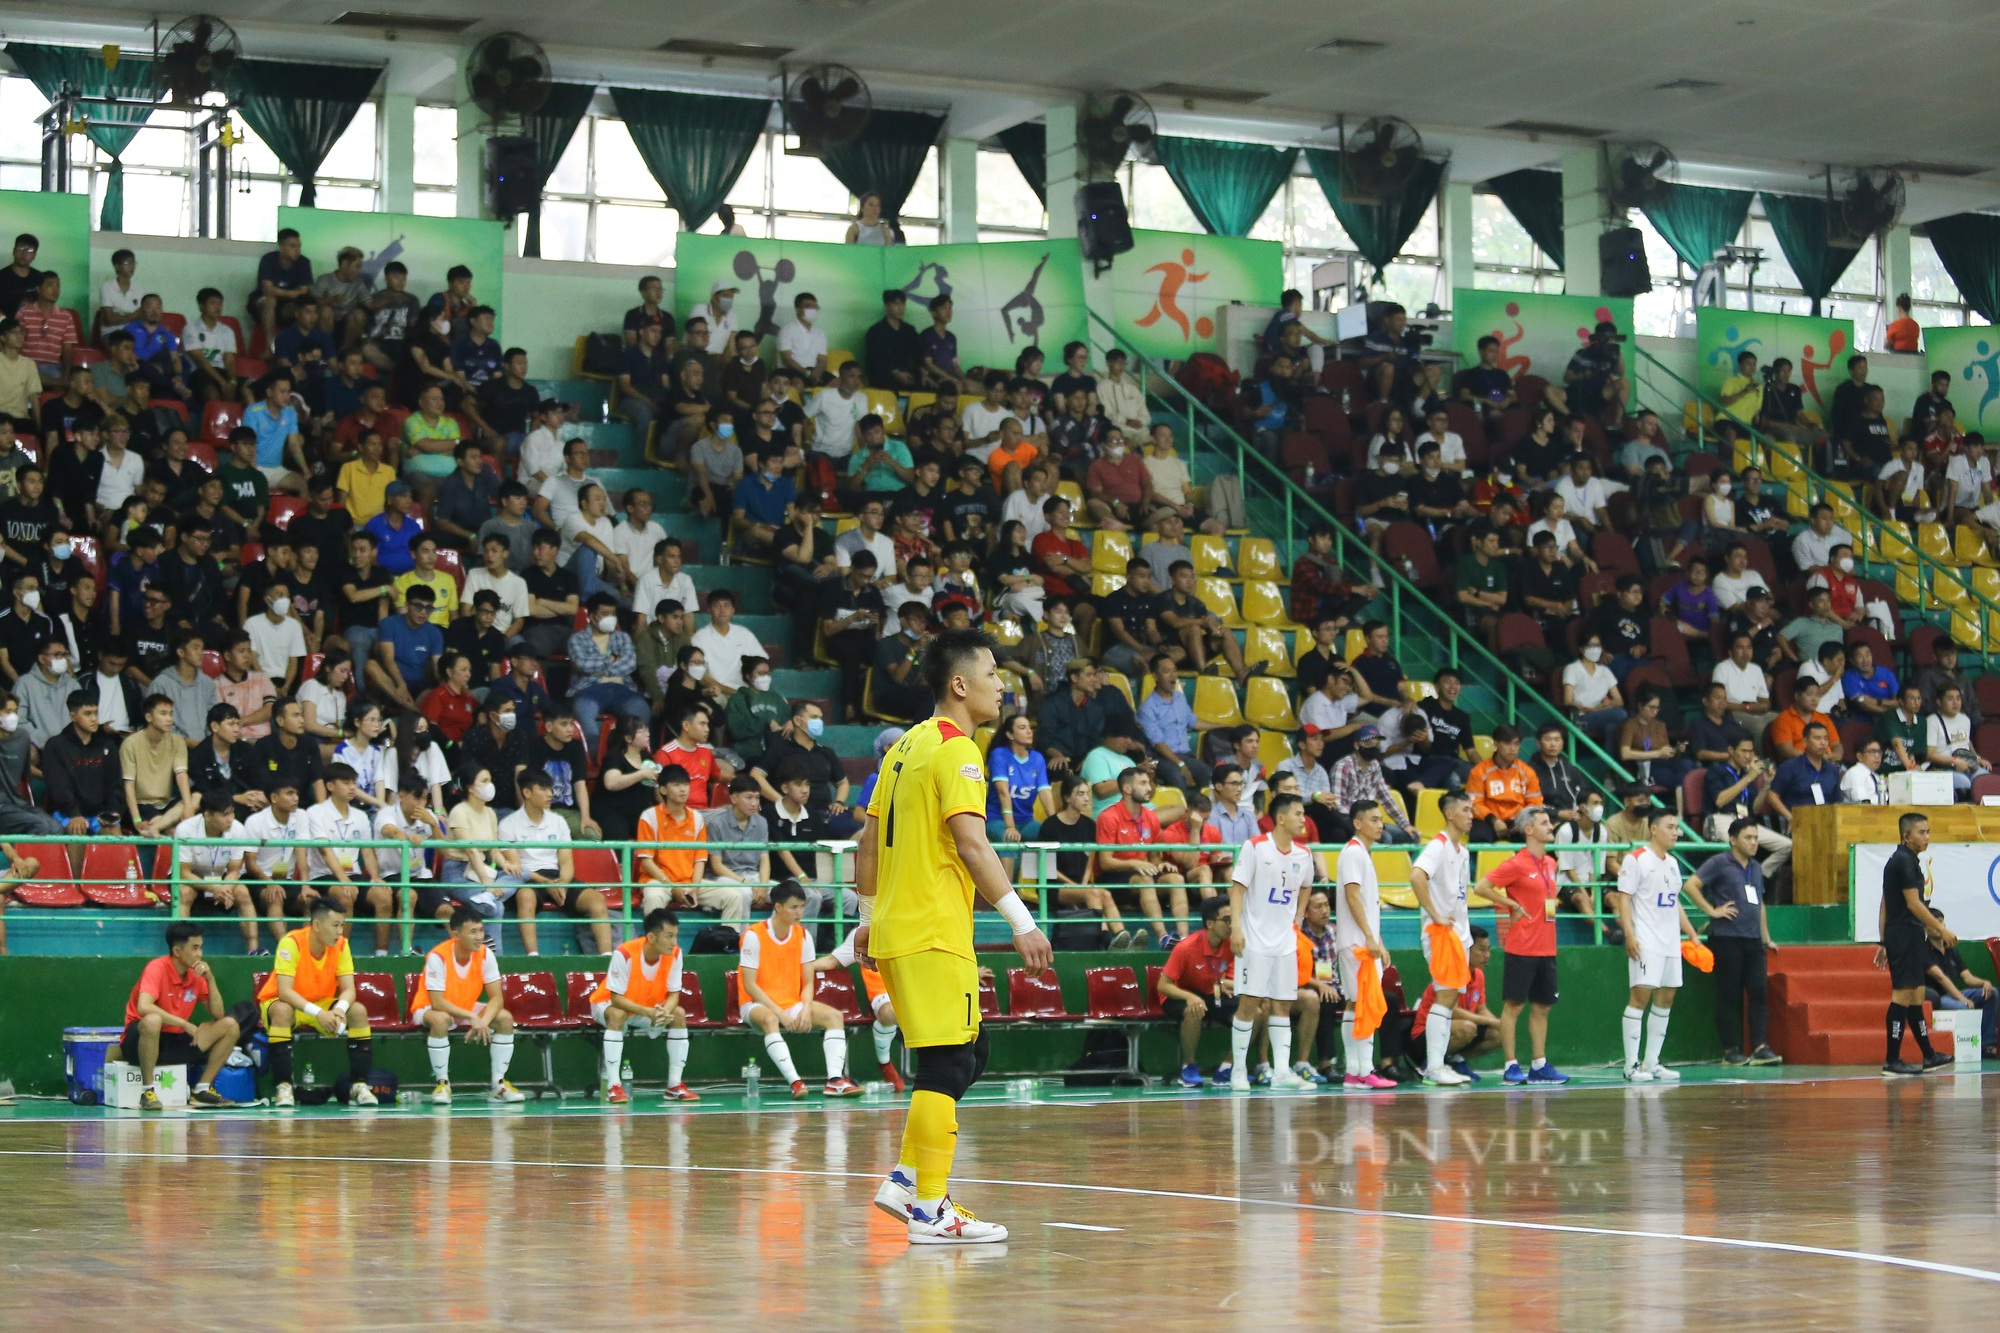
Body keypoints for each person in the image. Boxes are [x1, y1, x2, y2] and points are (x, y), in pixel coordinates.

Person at [853, 627, 1054, 1244]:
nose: (1003, 684)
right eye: (994, 673)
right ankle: (930, 1211)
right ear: (961, 684)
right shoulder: (959, 752)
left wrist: (865, 915)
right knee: (946, 1061)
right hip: (931, 928)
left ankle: (910, 1180)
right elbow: (973, 842)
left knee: (972, 1050)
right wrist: (1021, 919)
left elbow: (868, 840)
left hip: (896, 925)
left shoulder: (903, 748)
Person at [1408, 789, 1513, 1085]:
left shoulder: (1462, 851)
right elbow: (1416, 876)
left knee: (1450, 995)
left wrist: (1464, 934)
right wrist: (1436, 915)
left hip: (1457, 934)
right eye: (1466, 810)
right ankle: (1433, 1067)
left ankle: (1439, 1064)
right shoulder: (1438, 846)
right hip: (1440, 933)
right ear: (1450, 813)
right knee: (1444, 998)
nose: (1472, 815)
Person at [1222, 793, 1318, 1092]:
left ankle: (1281, 1072)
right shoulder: (1255, 847)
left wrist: (1299, 918)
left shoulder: (1304, 855)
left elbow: (1307, 886)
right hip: (1255, 940)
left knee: (1283, 1005)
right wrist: (1236, 929)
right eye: (1299, 814)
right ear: (1281, 817)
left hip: (1285, 941)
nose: (1304, 820)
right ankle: (1238, 1071)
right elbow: (1236, 890)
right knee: (1250, 1003)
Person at [738, 880, 864, 1099]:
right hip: (755, 1004)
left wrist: (805, 1008)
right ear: (778, 907)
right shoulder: (753, 935)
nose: (800, 912)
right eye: (794, 907)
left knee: (834, 1016)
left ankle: (835, 1081)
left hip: (792, 1002)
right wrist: (780, 1014)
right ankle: (795, 1082)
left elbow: (807, 981)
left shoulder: (803, 936)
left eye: (802, 907)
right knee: (769, 1020)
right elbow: (750, 985)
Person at [255, 899, 379, 1107]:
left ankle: (359, 1085)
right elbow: (285, 992)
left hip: (321, 1003)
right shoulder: (291, 942)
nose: (340, 931)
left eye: (342, 925)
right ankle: (283, 1086)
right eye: (336, 925)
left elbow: (349, 990)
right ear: (317, 925)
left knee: (357, 1011)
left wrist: (339, 1010)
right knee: (283, 1010)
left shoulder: (341, 945)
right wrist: (318, 1013)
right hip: (283, 1002)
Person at [1474, 805, 1568, 1084]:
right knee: (1513, 1006)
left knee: (1542, 1007)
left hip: (1546, 947)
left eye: (1550, 822)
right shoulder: (1516, 863)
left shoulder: (1551, 863)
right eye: (1544, 823)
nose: (1550, 826)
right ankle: (1510, 1065)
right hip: (1521, 946)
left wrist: (1548, 918)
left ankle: (1539, 1065)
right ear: (1529, 830)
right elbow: (1481, 887)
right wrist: (1509, 903)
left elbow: (1549, 900)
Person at [1681, 817, 1783, 1066]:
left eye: (1756, 838)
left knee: (1758, 992)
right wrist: (1712, 911)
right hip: (1727, 938)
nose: (1754, 843)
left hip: (1752, 940)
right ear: (1733, 839)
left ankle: (1760, 1047)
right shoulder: (1719, 862)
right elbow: (1690, 885)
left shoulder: (1756, 868)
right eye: (1748, 837)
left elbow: (1759, 904)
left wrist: (1766, 937)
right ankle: (1731, 1049)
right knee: (1730, 995)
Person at [1609, 810, 1702, 1082]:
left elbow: (1674, 902)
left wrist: (1691, 933)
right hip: (1646, 941)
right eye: (1670, 827)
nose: (1675, 832)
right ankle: (1630, 1065)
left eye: (1677, 828)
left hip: (1671, 942)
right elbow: (1623, 898)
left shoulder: (1673, 864)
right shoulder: (1636, 859)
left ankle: (1652, 1062)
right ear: (1653, 829)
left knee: (1666, 999)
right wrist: (1629, 934)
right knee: (1639, 998)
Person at [409, 906, 524, 1105]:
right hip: (429, 1008)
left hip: (465, 1006)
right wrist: (473, 1017)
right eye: (473, 932)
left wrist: (483, 1021)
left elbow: (497, 998)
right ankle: (442, 1084)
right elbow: (438, 1002)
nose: (480, 936)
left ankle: (498, 1084)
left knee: (504, 1018)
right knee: (441, 1019)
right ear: (456, 934)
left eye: (481, 930)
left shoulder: (486, 955)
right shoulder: (438, 957)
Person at [122, 920, 240, 1109]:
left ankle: (202, 1089)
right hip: (141, 1040)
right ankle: (148, 1092)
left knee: (230, 1025)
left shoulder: (196, 974)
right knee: (153, 1020)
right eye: (194, 948)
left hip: (175, 1040)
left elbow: (218, 1013)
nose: (200, 954)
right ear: (177, 951)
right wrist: (184, 1024)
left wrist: (210, 979)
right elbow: (144, 1007)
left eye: (201, 948)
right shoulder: (157, 968)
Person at [592, 907, 699, 1104]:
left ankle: (674, 1085)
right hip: (607, 1003)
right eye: (668, 936)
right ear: (651, 937)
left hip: (648, 1007)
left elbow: (674, 993)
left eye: (675, 936)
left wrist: (664, 1012)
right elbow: (616, 998)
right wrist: (649, 1013)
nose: (674, 942)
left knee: (679, 1014)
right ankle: (614, 1086)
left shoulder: (675, 954)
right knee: (618, 1015)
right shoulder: (624, 954)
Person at [1877, 812, 1954, 1076]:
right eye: (1922, 832)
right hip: (1905, 935)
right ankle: (1892, 1059)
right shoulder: (1904, 862)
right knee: (1902, 994)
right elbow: (1912, 904)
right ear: (1906, 835)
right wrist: (1941, 929)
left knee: (1917, 995)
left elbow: (1885, 903)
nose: (1927, 837)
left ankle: (1929, 1055)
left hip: (1907, 935)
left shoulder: (1904, 860)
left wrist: (1883, 940)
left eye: (1928, 831)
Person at [1332, 800, 1397, 1089]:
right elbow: (1352, 896)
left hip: (1360, 939)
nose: (1380, 824)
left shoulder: (1362, 854)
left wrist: (1378, 939)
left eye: (1381, 819)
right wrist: (1369, 938)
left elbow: (1367, 905)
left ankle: (1355, 1071)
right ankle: (1362, 1071)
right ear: (1357, 823)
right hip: (1356, 942)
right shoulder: (1354, 853)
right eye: (1373, 819)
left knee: (1355, 1002)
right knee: (1364, 1003)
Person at [1156, 896, 1238, 1087]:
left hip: (1211, 992)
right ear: (1210, 923)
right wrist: (1190, 997)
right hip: (1179, 994)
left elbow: (1224, 974)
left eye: (1233, 918)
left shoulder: (1230, 945)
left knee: (1253, 1013)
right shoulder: (1185, 947)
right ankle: (1189, 1067)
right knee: (1195, 1009)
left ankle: (1228, 1067)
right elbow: (1163, 985)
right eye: (1226, 920)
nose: (1231, 924)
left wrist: (1223, 983)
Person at [173, 789, 260, 954]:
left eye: (232, 813)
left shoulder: (238, 830)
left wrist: (225, 887)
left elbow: (234, 870)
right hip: (191, 877)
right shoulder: (185, 830)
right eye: (225, 815)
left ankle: (253, 950)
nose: (231, 819)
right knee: (185, 893)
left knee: (242, 892)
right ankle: (182, 950)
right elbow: (183, 873)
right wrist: (213, 888)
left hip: (220, 878)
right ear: (207, 815)